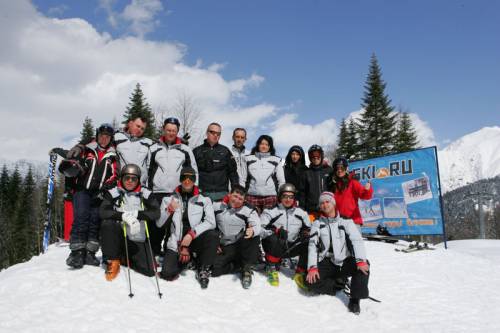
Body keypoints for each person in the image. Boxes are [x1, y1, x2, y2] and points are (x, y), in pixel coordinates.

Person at [305, 192, 370, 315]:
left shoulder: (346, 221)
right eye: (322, 203)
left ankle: (355, 299)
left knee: (364, 267)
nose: (325, 205)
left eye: (327, 201)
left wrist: (360, 260)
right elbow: (312, 245)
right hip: (327, 261)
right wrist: (312, 268)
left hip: (344, 261)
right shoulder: (317, 223)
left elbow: (357, 240)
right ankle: (337, 284)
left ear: (333, 203)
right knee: (310, 282)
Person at [64, 123, 118, 269]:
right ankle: (76, 252)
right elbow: (74, 165)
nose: (104, 139)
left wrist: (106, 188)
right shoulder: (87, 150)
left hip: (99, 193)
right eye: (102, 136)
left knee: (95, 221)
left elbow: (114, 175)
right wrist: (70, 186)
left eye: (107, 137)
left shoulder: (112, 156)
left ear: (111, 138)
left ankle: (90, 252)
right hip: (82, 190)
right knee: (81, 218)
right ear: (97, 136)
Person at [158, 167, 219, 289]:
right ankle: (189, 260)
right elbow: (159, 223)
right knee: (167, 273)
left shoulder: (204, 200)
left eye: (191, 178)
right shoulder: (169, 199)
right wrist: (168, 210)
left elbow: (211, 222)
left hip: (195, 239)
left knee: (212, 234)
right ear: (180, 179)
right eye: (184, 178)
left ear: (194, 180)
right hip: (177, 242)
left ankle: (204, 269)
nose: (187, 181)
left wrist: (192, 234)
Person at [99, 164, 160, 280]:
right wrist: (123, 216)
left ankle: (125, 257)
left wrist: (138, 215)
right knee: (108, 224)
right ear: (121, 178)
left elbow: (156, 213)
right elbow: (103, 212)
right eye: (127, 178)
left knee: (149, 270)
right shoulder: (113, 192)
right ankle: (112, 260)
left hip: (137, 237)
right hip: (119, 235)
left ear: (138, 180)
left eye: (134, 179)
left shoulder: (145, 193)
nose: (130, 181)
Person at [148, 117, 198, 256]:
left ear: (177, 131)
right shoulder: (153, 148)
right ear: (164, 129)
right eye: (168, 130)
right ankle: (154, 251)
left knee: (174, 223)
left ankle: (169, 250)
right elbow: (147, 169)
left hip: (177, 192)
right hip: (157, 191)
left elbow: (193, 171)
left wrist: (194, 189)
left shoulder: (185, 149)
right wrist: (145, 190)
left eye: (174, 130)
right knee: (157, 222)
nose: (171, 133)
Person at [67, 116, 154, 186]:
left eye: (142, 128)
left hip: (140, 186)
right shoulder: (117, 137)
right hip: (120, 185)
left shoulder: (148, 143)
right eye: (138, 126)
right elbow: (97, 139)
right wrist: (80, 146)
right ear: (130, 123)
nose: (139, 130)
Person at [260, 183, 311, 287]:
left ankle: (300, 272)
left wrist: (305, 233)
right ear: (280, 197)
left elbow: (308, 229)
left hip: (291, 247)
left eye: (291, 197)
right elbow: (260, 228)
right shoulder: (271, 211)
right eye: (285, 196)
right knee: (274, 238)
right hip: (275, 246)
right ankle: (271, 267)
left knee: (309, 241)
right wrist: (275, 231)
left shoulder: (301, 213)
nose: (288, 199)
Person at [211, 185, 261, 289]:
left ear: (244, 200)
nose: (237, 200)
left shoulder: (248, 209)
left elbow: (257, 224)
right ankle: (237, 266)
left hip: (240, 244)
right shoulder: (217, 205)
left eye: (240, 199)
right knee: (214, 269)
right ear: (229, 195)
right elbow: (208, 222)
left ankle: (246, 268)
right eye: (235, 196)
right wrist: (214, 243)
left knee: (253, 236)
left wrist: (253, 230)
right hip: (224, 245)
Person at [193, 123, 239, 202]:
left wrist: (235, 192)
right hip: (202, 195)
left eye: (218, 134)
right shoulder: (197, 151)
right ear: (207, 132)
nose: (215, 135)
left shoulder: (225, 151)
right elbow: (191, 173)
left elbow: (233, 173)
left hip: (222, 194)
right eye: (212, 132)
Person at [244, 135, 286, 214]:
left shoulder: (276, 160)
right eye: (262, 144)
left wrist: (281, 196)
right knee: (252, 222)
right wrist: (242, 194)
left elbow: (281, 180)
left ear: (270, 147)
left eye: (267, 144)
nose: (264, 146)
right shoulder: (248, 159)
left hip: (270, 197)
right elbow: (243, 179)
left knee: (269, 223)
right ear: (258, 145)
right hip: (251, 196)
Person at [331, 157, 373, 227]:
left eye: (342, 168)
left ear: (346, 168)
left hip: (353, 221)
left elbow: (365, 196)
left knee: (354, 238)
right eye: (337, 168)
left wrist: (367, 190)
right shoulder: (333, 185)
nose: (339, 170)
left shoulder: (352, 182)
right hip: (338, 222)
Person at [304, 144, 333, 218]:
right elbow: (302, 192)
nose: (315, 158)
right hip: (311, 210)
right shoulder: (307, 172)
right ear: (310, 158)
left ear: (321, 156)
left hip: (327, 208)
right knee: (313, 229)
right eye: (313, 156)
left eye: (318, 155)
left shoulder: (329, 170)